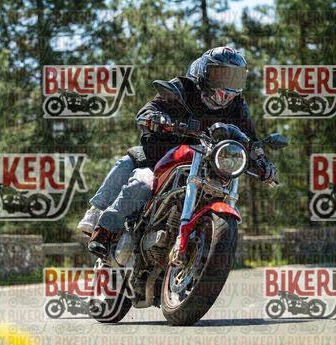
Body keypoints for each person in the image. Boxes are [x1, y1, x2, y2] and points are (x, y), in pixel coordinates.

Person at [77, 46, 277, 256]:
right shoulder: (181, 89)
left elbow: (249, 139)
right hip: (161, 156)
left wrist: (261, 161)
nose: (226, 86)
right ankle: (104, 229)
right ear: (203, 72)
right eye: (220, 75)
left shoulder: (237, 106)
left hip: (205, 165)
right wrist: (155, 118)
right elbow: (149, 109)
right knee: (142, 182)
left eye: (234, 78)